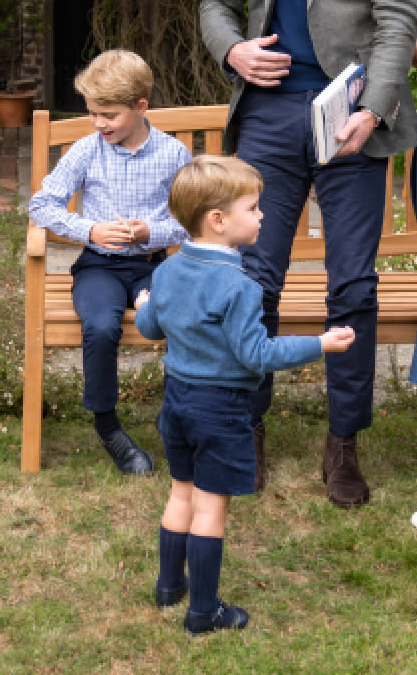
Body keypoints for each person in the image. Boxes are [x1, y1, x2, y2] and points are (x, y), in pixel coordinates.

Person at [200, 0, 417, 506]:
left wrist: (377, 110)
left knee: (352, 285)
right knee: (252, 282)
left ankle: (343, 444)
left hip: (351, 121)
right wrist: (233, 51)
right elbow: (214, 2)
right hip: (267, 118)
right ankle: (247, 428)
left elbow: (397, 20)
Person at [134, 155, 354, 635]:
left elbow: (151, 327)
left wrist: (142, 303)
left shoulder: (169, 270)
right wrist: (320, 343)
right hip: (221, 409)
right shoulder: (240, 286)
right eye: (253, 208)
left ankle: (169, 588)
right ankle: (204, 612)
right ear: (218, 221)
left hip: (177, 401)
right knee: (210, 508)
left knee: (180, 492)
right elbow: (257, 354)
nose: (261, 217)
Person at [28, 49, 190, 474]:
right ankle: (108, 427)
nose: (99, 123)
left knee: (177, 318)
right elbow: (42, 206)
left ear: (140, 107)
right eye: (93, 114)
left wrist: (149, 232)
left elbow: (191, 222)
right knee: (100, 327)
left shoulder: (173, 155)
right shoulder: (86, 151)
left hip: (155, 267)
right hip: (99, 267)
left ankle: (175, 419)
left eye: (109, 115)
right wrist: (89, 230)